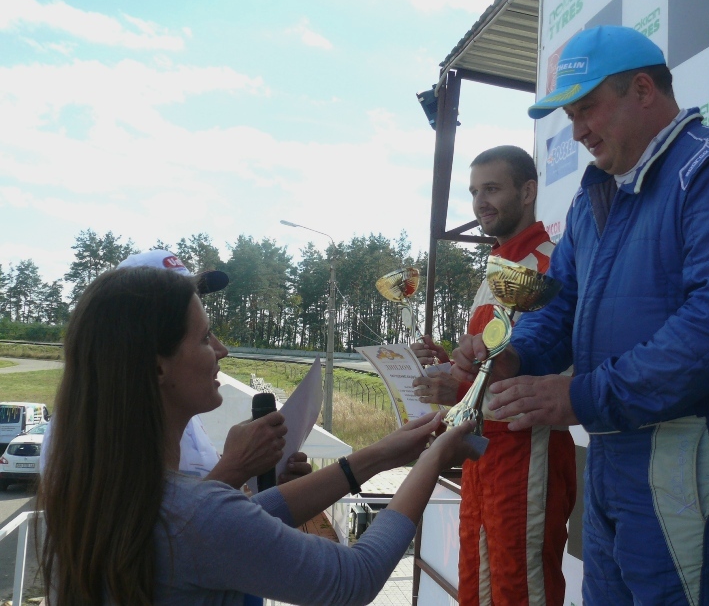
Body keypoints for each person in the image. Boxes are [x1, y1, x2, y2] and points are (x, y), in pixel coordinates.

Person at [452, 26, 709, 604]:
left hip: (690, 448)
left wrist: (581, 396)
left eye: (587, 109)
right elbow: (557, 306)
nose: (578, 130)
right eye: (570, 116)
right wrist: (513, 356)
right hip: (611, 450)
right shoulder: (592, 196)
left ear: (643, 90)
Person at [39, 267, 479, 604]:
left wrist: (380, 455)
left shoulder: (101, 493)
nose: (222, 350)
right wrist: (433, 460)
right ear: (157, 367)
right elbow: (353, 578)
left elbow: (243, 517)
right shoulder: (196, 514)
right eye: (204, 338)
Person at [411, 145, 576, 606]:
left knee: (519, 589)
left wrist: (462, 387)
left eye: (492, 189)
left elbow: (551, 365)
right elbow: (492, 362)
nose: (480, 202)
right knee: (476, 585)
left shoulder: (550, 264)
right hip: (480, 450)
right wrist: (447, 364)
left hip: (527, 447)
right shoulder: (497, 270)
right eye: (473, 192)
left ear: (527, 192)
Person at [39, 249, 309, 489]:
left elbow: (201, 505)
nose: (221, 349)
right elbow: (145, 524)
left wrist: (272, 491)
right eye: (203, 336)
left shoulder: (181, 416)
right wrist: (235, 468)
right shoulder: (89, 433)